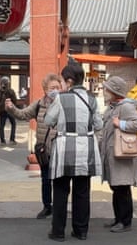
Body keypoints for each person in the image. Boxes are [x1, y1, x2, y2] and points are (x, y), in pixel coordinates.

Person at [44, 61, 103, 242]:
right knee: (82, 191)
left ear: (69, 81)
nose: (61, 84)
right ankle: (81, 231)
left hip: (65, 148)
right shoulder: (92, 99)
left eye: (62, 80)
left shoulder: (61, 99)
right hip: (86, 148)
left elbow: (48, 120)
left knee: (61, 191)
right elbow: (99, 124)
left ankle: (58, 232)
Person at [5, 73, 62, 219]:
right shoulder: (39, 104)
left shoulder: (65, 103)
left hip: (61, 148)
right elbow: (23, 114)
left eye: (58, 87)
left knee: (60, 181)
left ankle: (59, 206)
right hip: (44, 149)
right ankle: (47, 206)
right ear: (45, 89)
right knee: (45, 179)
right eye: (52, 88)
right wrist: (11, 108)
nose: (55, 90)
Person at [100, 76, 137, 233]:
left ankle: (125, 222)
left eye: (107, 89)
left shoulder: (125, 107)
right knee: (116, 187)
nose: (104, 91)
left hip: (121, 155)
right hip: (113, 155)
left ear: (114, 91)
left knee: (122, 188)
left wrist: (121, 124)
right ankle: (118, 218)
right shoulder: (112, 107)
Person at [0, 76, 18, 145]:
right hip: (9, 110)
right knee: (13, 123)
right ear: (8, 83)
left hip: (2, 110)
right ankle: (12, 139)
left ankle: (2, 140)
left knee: (2, 125)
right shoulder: (10, 91)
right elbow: (14, 101)